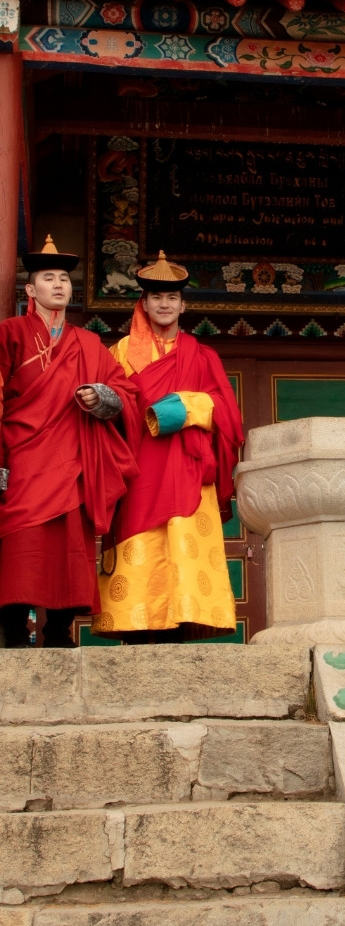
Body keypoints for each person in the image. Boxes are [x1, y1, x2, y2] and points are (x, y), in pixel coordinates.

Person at [93, 252, 244, 643]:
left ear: (183, 305)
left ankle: (180, 624)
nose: (164, 304)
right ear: (143, 303)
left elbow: (228, 413)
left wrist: (187, 406)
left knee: (182, 545)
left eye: (172, 298)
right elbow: (108, 411)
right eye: (156, 297)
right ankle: (134, 628)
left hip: (188, 468)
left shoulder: (203, 356)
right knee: (140, 544)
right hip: (139, 469)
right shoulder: (119, 353)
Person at [0, 236, 137, 647]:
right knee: (21, 541)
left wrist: (101, 397)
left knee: (69, 545)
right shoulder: (10, 333)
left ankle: (58, 630)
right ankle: (13, 629)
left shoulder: (88, 342)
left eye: (64, 278)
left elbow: (125, 392)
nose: (59, 284)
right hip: (24, 456)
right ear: (30, 289)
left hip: (72, 461)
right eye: (48, 278)